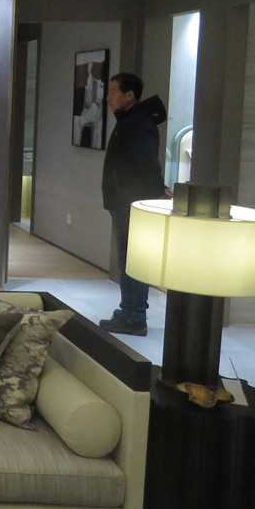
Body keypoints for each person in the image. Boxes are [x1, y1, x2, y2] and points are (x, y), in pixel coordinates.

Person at [99, 72, 167, 336]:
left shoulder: (137, 123)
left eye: (113, 92)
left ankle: (134, 316)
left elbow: (144, 164)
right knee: (129, 259)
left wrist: (156, 191)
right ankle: (130, 310)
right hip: (127, 201)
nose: (108, 97)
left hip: (132, 203)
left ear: (129, 96)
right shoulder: (131, 121)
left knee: (132, 260)